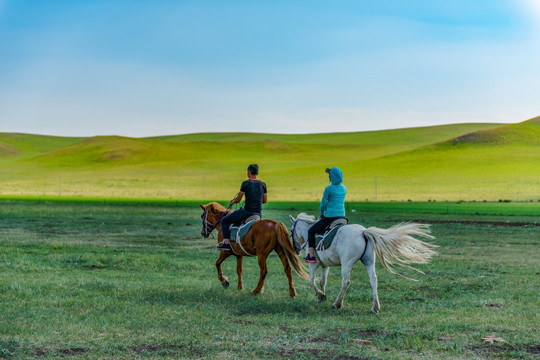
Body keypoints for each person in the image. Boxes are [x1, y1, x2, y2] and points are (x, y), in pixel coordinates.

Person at [217, 164, 267, 251]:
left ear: (248, 172)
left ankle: (226, 243)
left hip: (247, 212)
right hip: (258, 213)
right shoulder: (263, 184)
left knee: (224, 220)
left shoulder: (245, 183)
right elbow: (265, 200)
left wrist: (233, 201)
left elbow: (238, 199)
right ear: (257, 173)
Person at [304, 167, 347, 263]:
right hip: (342, 217)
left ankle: (311, 256)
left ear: (331, 177)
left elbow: (323, 203)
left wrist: (321, 214)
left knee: (311, 231)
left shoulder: (328, 189)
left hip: (330, 217)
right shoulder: (344, 188)